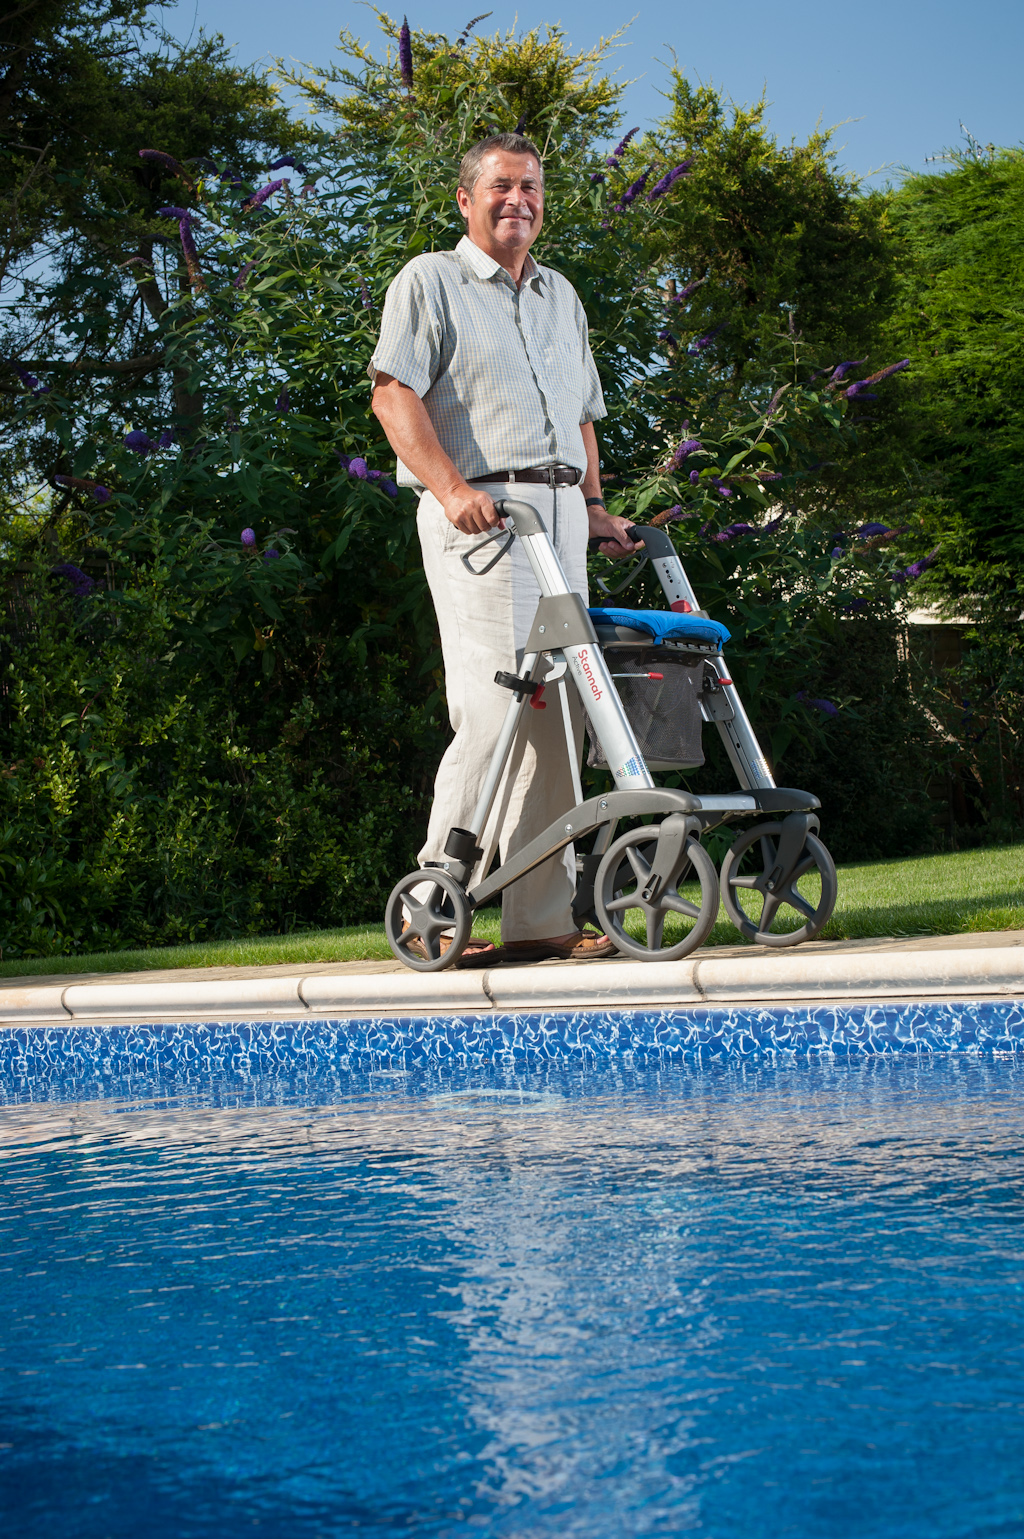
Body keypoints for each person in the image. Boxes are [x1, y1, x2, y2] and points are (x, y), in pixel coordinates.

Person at [370, 132, 640, 965]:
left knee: (558, 714)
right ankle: (432, 895)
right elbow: (393, 394)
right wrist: (451, 490)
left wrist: (594, 505)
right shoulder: (431, 282)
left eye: (530, 186)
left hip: (560, 518)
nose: (518, 199)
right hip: (482, 519)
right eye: (500, 186)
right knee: (492, 704)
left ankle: (541, 920)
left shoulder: (562, 295)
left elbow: (584, 413)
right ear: (465, 199)